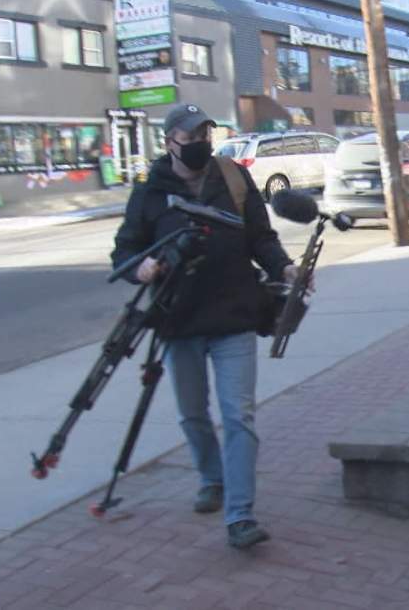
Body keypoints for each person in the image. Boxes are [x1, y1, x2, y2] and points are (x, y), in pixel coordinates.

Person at [111, 104, 302, 550]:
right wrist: (140, 269)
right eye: (191, 136)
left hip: (234, 313)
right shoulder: (149, 190)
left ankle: (240, 515)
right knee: (194, 414)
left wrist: (286, 268)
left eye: (206, 134)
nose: (201, 143)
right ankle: (211, 477)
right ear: (169, 141)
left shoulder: (233, 177)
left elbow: (261, 237)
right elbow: (123, 253)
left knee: (239, 415)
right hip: (179, 321)